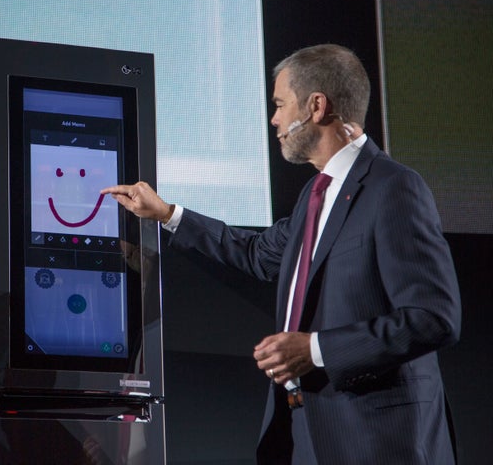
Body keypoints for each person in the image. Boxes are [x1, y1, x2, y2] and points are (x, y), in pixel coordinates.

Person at [102, 44, 461, 464]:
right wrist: (166, 213)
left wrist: (315, 350)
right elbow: (258, 252)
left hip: (376, 440)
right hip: (304, 435)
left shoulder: (394, 188)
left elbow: (433, 317)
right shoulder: (316, 193)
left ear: (315, 106)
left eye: (279, 104)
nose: (274, 119)